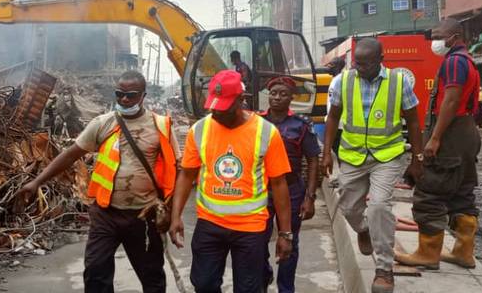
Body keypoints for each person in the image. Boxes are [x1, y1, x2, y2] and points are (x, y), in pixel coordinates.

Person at [17, 70, 179, 293]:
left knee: (152, 277)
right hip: (106, 213)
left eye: (131, 95)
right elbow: (70, 155)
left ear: (143, 95)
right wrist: (37, 182)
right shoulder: (103, 123)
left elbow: (178, 169)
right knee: (95, 272)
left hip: (144, 215)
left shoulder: (160, 126)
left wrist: (174, 213)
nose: (124, 99)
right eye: (119, 94)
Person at [169, 70, 293, 293]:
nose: (216, 113)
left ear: (240, 100)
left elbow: (279, 183)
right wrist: (175, 215)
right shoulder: (200, 130)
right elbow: (187, 174)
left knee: (248, 289)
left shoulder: (266, 132)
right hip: (210, 223)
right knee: (204, 284)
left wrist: (285, 233)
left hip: (251, 227)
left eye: (223, 108)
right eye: (213, 107)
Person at [322, 38, 424, 293]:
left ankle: (384, 269)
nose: (359, 68)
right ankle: (364, 229)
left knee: (379, 206)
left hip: (387, 156)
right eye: (356, 63)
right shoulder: (344, 81)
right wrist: (326, 154)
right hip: (353, 155)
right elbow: (333, 117)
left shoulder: (398, 82)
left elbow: (413, 121)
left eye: (366, 64)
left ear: (380, 60)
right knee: (349, 207)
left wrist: (417, 159)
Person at [395, 18, 482, 270]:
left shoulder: (454, 62)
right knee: (462, 194)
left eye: (438, 36)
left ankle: (428, 253)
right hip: (467, 133)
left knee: (429, 191)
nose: (434, 41)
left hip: (451, 134)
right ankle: (463, 252)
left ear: (454, 37)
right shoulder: (467, 61)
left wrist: (435, 138)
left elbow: (451, 101)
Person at [259, 76, 321, 293]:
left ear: (291, 98)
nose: (277, 97)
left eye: (283, 94)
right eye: (273, 93)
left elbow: (313, 160)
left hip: (292, 190)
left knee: (289, 242)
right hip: (262, 190)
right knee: (257, 239)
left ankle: (286, 288)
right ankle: (263, 275)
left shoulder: (301, 126)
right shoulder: (257, 122)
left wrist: (310, 198)